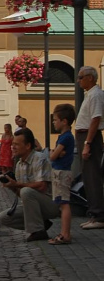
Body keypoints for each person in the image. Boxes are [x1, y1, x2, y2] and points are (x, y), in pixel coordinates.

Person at [0, 128, 58, 242]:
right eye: (12, 144)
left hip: (51, 204)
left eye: (16, 144)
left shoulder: (40, 159)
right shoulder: (19, 164)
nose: (13, 147)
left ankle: (38, 232)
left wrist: (18, 184)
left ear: (28, 146)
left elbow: (42, 187)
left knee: (26, 191)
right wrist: (12, 187)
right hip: (34, 204)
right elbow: (23, 195)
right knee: (3, 218)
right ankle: (41, 224)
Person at [75, 66, 104, 230]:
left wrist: (87, 143)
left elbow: (95, 119)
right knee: (88, 176)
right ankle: (94, 214)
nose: (78, 80)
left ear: (90, 78)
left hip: (89, 137)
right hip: (85, 136)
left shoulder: (95, 95)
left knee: (92, 176)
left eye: (81, 77)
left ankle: (99, 215)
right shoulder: (91, 94)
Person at [48, 103, 76, 245]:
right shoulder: (63, 137)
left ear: (64, 121)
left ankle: (65, 234)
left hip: (61, 173)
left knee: (64, 203)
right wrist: (56, 153)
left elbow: (52, 156)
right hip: (59, 171)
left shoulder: (66, 137)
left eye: (55, 120)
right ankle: (64, 232)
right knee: (61, 203)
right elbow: (56, 153)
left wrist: (54, 153)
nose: (53, 122)